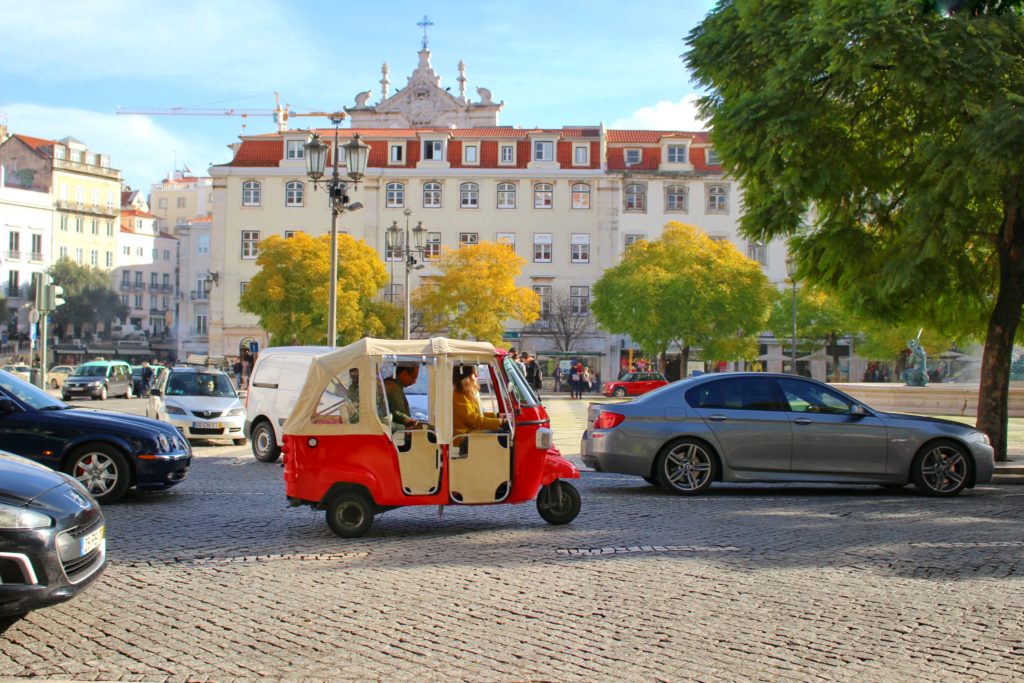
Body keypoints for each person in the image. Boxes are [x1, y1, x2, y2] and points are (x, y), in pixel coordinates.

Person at [452, 365, 506, 440]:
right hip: (464, 436)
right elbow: (475, 419)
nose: (477, 375)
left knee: (501, 433)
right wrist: (501, 422)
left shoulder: (467, 393)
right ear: (466, 378)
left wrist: (498, 415)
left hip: (472, 431)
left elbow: (478, 414)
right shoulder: (458, 395)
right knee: (502, 436)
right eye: (474, 374)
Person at [383, 363, 423, 430]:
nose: (414, 382)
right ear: (404, 374)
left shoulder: (394, 386)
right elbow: (395, 411)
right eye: (413, 377)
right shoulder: (393, 388)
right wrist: (408, 421)